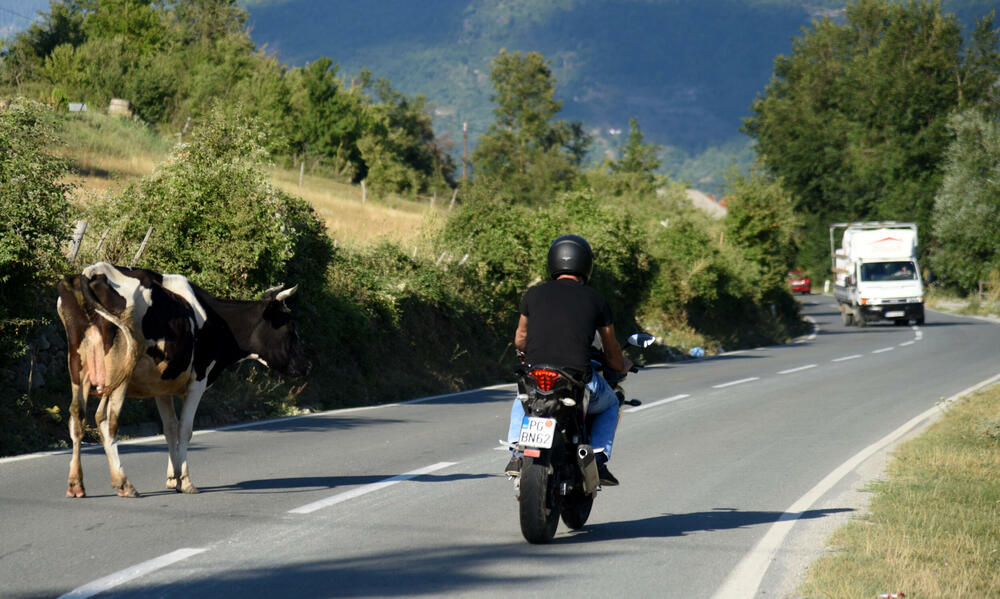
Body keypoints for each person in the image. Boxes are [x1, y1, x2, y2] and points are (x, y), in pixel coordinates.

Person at [505, 234, 633, 485]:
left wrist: (526, 352)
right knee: (612, 403)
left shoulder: (533, 294)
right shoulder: (596, 300)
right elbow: (610, 349)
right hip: (575, 378)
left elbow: (520, 338)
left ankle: (517, 453)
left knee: (523, 397)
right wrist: (622, 365)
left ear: (552, 262)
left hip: (537, 374)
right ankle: (597, 457)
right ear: (586, 264)